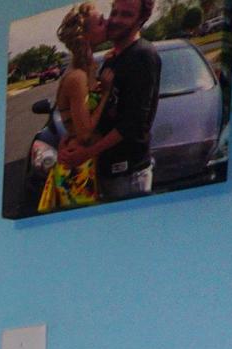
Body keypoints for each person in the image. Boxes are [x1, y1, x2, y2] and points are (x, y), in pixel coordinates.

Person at [63, 0, 163, 200]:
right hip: (107, 172)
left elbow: (132, 124)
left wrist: (86, 153)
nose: (115, 20)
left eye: (126, 15)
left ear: (141, 19)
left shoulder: (142, 56)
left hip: (128, 175)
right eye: (114, 12)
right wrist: (68, 144)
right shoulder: (113, 59)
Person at [40, 3, 110, 211]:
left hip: (91, 164)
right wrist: (105, 94)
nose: (106, 22)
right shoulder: (76, 77)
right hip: (79, 173)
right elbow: (85, 134)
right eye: (100, 22)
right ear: (86, 35)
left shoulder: (87, 69)